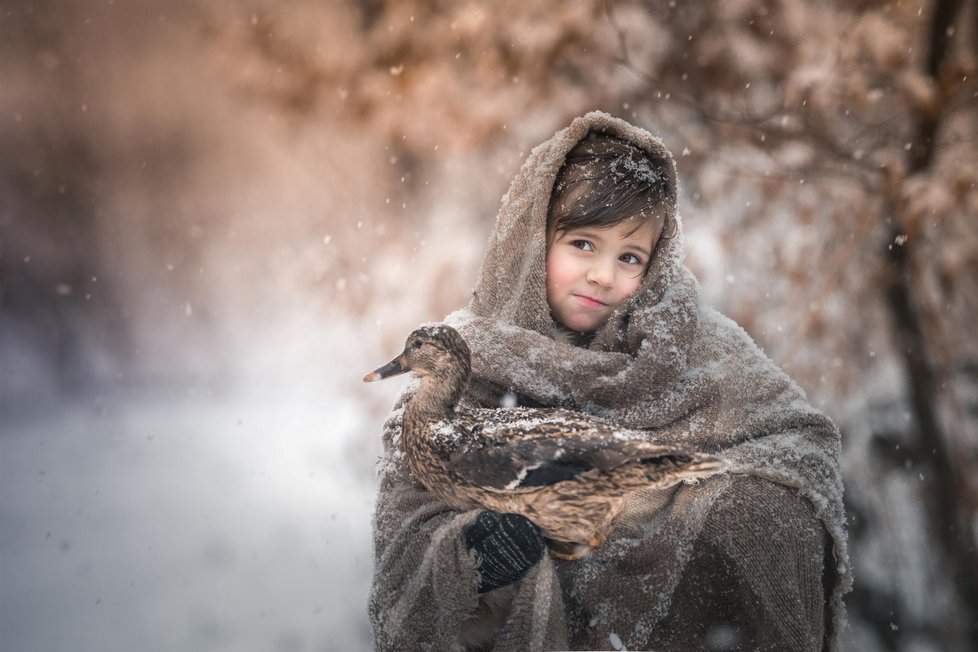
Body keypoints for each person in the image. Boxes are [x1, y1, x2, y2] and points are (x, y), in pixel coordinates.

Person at [369, 111, 851, 651]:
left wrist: (698, 509)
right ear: (531, 238)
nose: (603, 275)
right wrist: (470, 553)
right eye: (582, 245)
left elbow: (798, 447)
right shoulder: (463, 361)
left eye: (629, 257)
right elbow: (405, 544)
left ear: (655, 263)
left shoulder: (694, 352)